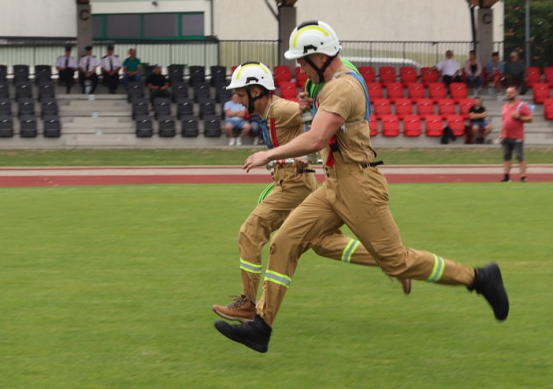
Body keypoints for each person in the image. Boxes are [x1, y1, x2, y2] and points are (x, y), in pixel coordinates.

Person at [214, 21, 508, 353]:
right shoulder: (333, 83)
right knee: (284, 241)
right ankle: (261, 326)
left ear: (320, 57)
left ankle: (479, 279)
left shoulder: (342, 88)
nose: (299, 67)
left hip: (359, 185)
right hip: (334, 183)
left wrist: (268, 153)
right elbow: (325, 134)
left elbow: (317, 137)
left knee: (396, 261)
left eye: (302, 60)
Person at [211, 62, 410, 323]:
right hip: (289, 184)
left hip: (294, 186)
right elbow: (310, 129)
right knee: (324, 244)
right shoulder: (267, 112)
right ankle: (393, 263)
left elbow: (317, 125)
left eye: (240, 93)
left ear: (256, 91)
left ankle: (248, 303)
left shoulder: (282, 108)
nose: (236, 98)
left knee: (251, 230)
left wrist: (308, 146)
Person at [499, 85, 532, 183]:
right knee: (506, 157)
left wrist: (519, 118)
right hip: (506, 135)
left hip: (517, 136)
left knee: (519, 156)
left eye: (511, 92)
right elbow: (503, 121)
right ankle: (506, 176)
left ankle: (523, 177)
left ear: (516, 94)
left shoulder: (522, 105)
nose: (508, 94)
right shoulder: (504, 106)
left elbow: (530, 119)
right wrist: (501, 133)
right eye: (507, 92)